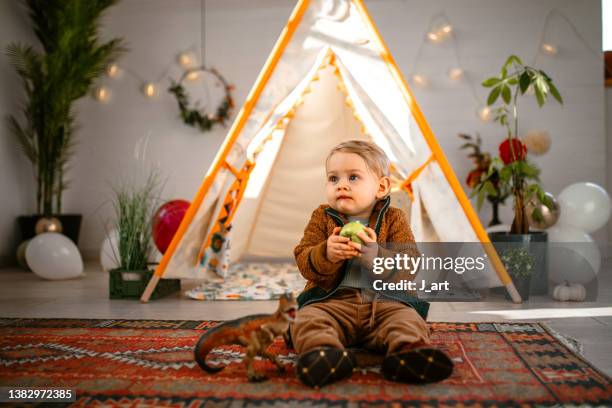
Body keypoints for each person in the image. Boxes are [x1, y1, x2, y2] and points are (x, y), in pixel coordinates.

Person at [290, 140, 453, 388]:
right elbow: (303, 258)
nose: (341, 184)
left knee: (407, 320)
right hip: (333, 303)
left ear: (381, 187)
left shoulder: (394, 218)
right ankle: (324, 354)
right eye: (333, 179)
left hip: (385, 303)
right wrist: (326, 253)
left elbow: (409, 264)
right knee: (307, 318)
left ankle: (409, 354)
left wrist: (377, 257)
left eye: (353, 177)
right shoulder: (321, 217)